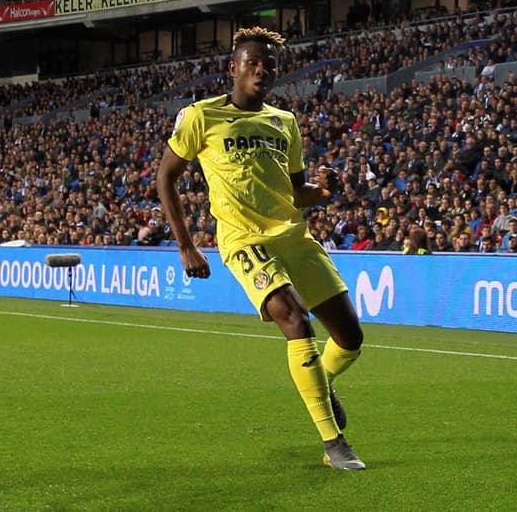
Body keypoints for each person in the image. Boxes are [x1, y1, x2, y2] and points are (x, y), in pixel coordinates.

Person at [157, 27, 367, 470]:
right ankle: (334, 443)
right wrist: (186, 245)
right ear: (233, 68)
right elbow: (166, 177)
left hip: (294, 237)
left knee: (350, 338)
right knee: (295, 320)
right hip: (244, 240)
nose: (261, 70)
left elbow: (295, 192)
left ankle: (321, 383)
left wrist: (322, 191)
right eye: (252, 62)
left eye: (268, 64)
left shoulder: (284, 121)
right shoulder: (201, 117)